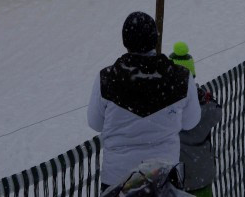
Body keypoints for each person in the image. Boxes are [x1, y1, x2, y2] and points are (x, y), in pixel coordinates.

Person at [87, 12, 201, 191]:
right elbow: (191, 121)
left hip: (118, 181)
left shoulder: (107, 78)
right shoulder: (181, 78)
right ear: (155, 38)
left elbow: (95, 123)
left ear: (125, 40)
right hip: (163, 179)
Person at [169, 42, 223, 197]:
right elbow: (216, 112)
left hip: (177, 178)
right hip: (203, 174)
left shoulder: (168, 109)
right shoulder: (205, 107)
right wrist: (204, 98)